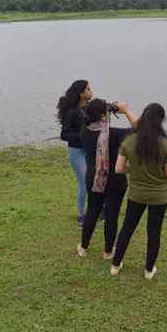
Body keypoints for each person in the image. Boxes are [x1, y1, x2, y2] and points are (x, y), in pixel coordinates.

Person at [110, 103, 167, 280]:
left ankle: (115, 265)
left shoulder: (129, 141)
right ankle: (148, 270)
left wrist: (134, 170)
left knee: (127, 229)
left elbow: (118, 169)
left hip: (136, 194)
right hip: (159, 196)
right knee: (154, 232)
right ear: (161, 120)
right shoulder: (166, 145)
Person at [77, 99, 138, 260]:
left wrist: (108, 110)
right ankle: (108, 252)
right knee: (111, 215)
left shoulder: (85, 129)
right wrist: (124, 110)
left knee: (92, 212)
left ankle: (83, 247)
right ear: (104, 115)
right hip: (115, 182)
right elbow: (140, 128)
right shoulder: (113, 135)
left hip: (94, 179)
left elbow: (94, 115)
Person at [57, 80, 92, 226]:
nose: (91, 91)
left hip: (89, 151)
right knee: (84, 183)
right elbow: (64, 135)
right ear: (81, 93)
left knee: (94, 181)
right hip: (76, 152)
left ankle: (95, 210)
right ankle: (80, 215)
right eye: (88, 89)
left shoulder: (89, 108)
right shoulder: (72, 112)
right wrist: (83, 135)